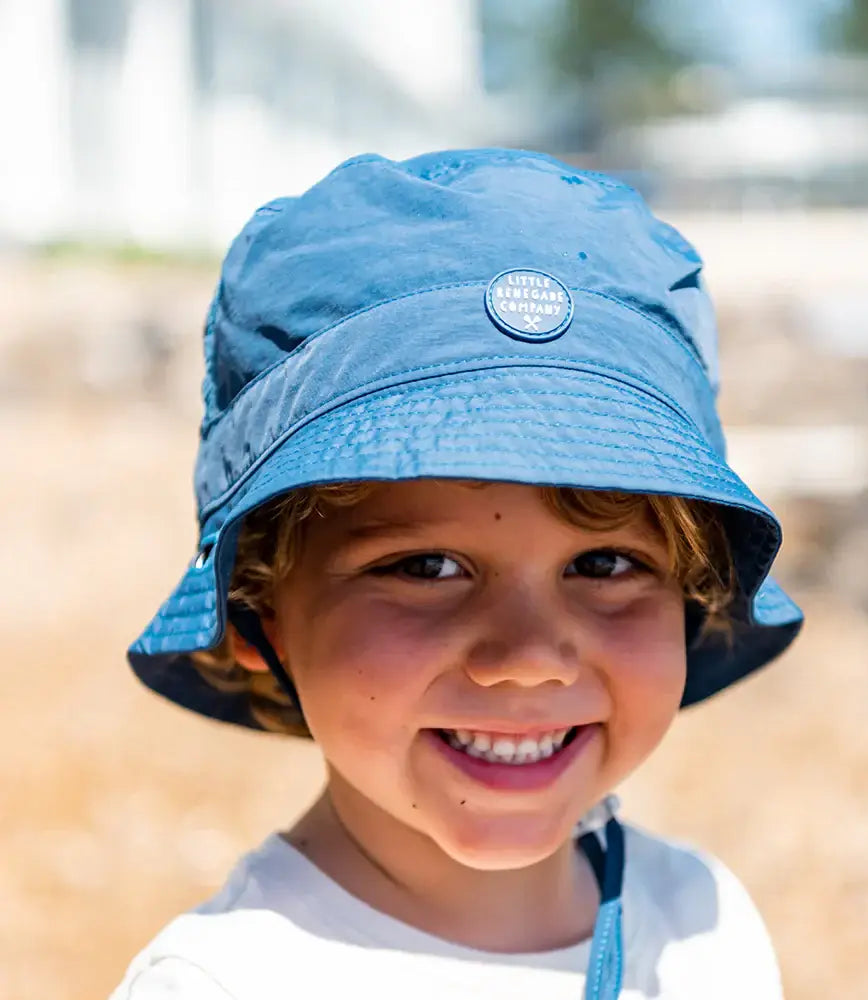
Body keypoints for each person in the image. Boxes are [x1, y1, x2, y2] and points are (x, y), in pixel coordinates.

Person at [112, 148, 803, 1000]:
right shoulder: (224, 983)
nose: (529, 659)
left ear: (691, 594)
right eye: (428, 567)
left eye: (605, 563)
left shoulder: (704, 924)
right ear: (259, 613)